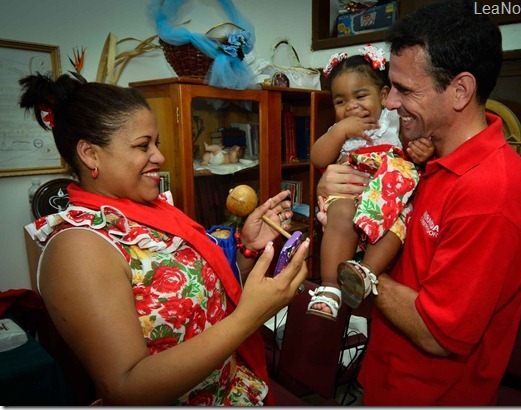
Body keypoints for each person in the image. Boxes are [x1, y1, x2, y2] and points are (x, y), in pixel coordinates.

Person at [20, 72, 309, 406]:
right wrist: (250, 317)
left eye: (155, 143)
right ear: (89, 153)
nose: (159, 156)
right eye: (143, 146)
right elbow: (127, 387)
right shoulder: (78, 248)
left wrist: (247, 248)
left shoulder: (152, 213)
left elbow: (199, 303)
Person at [316, 0, 521, 405]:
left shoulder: (492, 193)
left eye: (405, 90)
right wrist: (342, 199)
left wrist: (358, 272)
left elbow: (440, 332)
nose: (389, 104)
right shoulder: (427, 160)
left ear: (460, 90)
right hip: (388, 378)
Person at [307, 45, 434, 321]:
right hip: (350, 196)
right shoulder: (339, 131)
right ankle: (329, 287)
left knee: (398, 223)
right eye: (340, 101)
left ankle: (366, 273)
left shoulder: (394, 120)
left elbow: (412, 149)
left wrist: (421, 151)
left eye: (360, 95)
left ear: (384, 95)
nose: (351, 105)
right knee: (340, 213)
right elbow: (318, 157)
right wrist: (339, 132)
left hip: (386, 198)